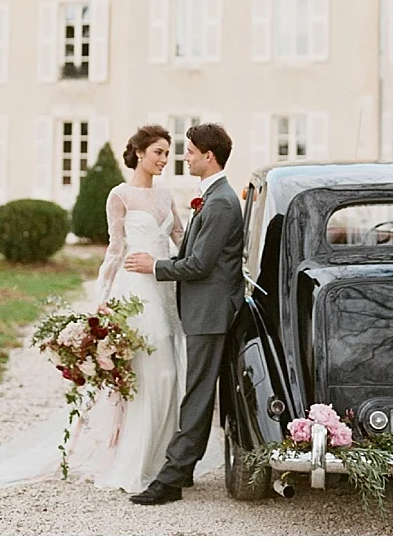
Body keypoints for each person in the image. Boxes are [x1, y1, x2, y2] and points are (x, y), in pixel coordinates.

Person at [0, 125, 192, 496]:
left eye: (168, 153)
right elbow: (115, 249)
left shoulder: (166, 194)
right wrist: (103, 298)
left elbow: (181, 238)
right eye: (158, 153)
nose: (165, 160)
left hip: (163, 288)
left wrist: (191, 268)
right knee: (142, 373)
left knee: (167, 371)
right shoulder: (119, 195)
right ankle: (132, 461)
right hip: (134, 291)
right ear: (139, 153)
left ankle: (162, 458)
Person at [124, 122, 245, 505]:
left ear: (209, 156)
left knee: (196, 394)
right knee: (197, 391)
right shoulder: (212, 197)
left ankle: (172, 479)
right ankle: (183, 469)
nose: (185, 157)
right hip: (202, 309)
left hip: (210, 312)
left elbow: (198, 265)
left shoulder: (223, 201)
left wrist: (154, 267)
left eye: (190, 151)